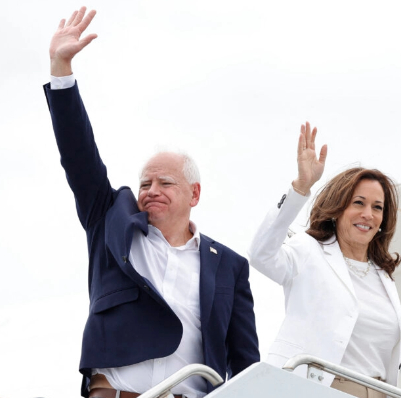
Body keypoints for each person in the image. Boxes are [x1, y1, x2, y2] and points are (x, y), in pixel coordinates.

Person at [43, 7, 259, 398]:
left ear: (194, 194)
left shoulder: (229, 266)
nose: (151, 190)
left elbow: (245, 362)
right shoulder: (110, 222)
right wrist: (61, 70)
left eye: (165, 182)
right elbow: (78, 154)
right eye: (145, 183)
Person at [248, 123, 401, 398]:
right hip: (320, 390)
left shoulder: (384, 276)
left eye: (377, 207)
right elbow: (261, 255)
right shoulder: (309, 251)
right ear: (338, 208)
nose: (368, 214)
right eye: (359, 203)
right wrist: (300, 187)